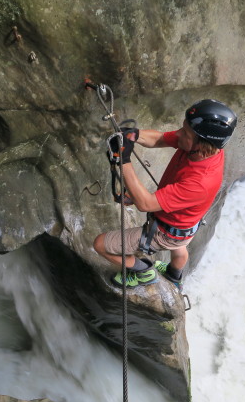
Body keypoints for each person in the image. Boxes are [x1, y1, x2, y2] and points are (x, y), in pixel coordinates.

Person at [93, 99, 237, 289]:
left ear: (201, 144)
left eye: (185, 132)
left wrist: (123, 159)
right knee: (179, 248)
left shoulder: (200, 182)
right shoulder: (207, 150)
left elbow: (146, 204)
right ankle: (174, 276)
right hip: (187, 225)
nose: (179, 133)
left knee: (100, 244)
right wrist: (133, 135)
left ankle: (143, 271)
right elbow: (160, 139)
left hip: (166, 232)